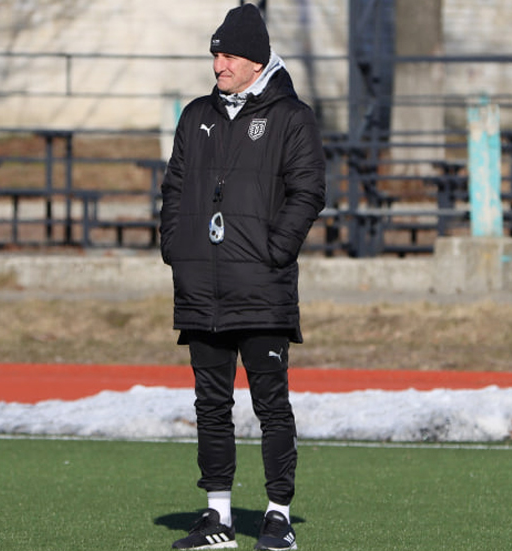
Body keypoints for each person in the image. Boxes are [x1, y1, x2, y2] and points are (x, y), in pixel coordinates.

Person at [159, 3, 326, 550]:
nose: (218, 65)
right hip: (201, 288)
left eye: (229, 56)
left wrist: (274, 251)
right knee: (210, 404)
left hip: (261, 286)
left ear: (256, 61)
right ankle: (218, 516)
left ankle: (278, 516)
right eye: (215, 55)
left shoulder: (292, 117)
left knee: (270, 404)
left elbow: (309, 192)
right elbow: (174, 187)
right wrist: (175, 247)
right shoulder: (196, 115)